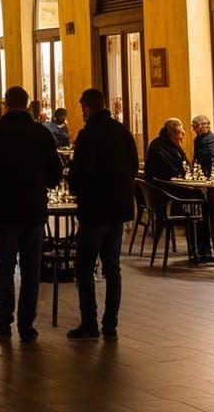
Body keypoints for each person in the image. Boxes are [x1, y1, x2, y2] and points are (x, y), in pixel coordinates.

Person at [0, 85, 62, 343]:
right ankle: (27, 325)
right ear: (27, 104)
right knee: (31, 269)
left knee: (6, 267)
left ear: (6, 105)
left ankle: (3, 322)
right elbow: (55, 175)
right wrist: (40, 184)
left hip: (4, 210)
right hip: (33, 210)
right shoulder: (42, 134)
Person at [67, 88, 138, 342]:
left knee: (84, 266)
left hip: (94, 210)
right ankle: (110, 324)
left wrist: (75, 187)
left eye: (82, 107)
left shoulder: (88, 135)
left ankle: (89, 323)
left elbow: (80, 174)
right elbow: (133, 166)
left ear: (86, 106)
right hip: (117, 210)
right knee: (112, 267)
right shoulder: (122, 131)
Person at [144, 118, 188, 182]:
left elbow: (185, 163)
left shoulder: (174, 144)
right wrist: (181, 173)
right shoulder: (157, 145)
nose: (181, 138)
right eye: (180, 134)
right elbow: (168, 169)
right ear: (172, 133)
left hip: (172, 182)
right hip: (160, 184)